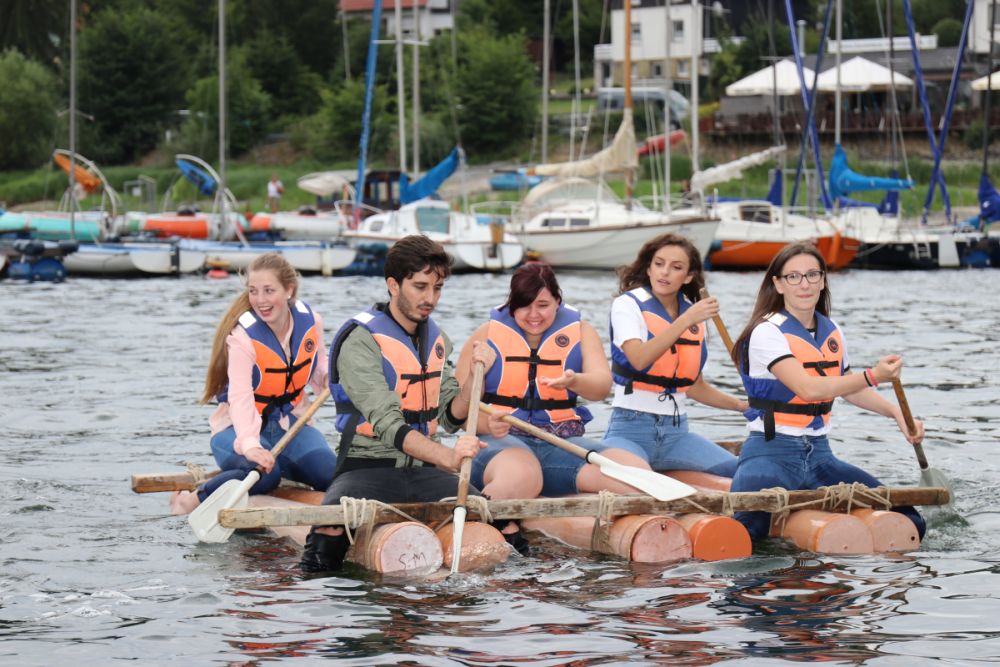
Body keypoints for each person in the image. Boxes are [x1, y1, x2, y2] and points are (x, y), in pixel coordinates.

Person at [300, 235, 495, 573]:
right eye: (420, 287)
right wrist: (449, 457)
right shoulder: (360, 341)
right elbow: (390, 425)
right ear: (393, 285)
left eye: (437, 288)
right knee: (330, 531)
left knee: (503, 522)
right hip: (366, 467)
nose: (430, 298)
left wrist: (477, 379)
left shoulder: (435, 339)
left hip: (424, 471)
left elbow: (451, 415)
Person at [728, 242, 926, 541]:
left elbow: (848, 387)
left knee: (911, 520)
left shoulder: (831, 329)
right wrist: (873, 375)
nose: (804, 284)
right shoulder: (766, 332)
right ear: (778, 284)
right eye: (793, 277)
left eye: (812, 275)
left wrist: (896, 413)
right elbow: (807, 389)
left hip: (820, 455)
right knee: (747, 534)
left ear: (822, 280)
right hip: (770, 453)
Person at [455, 262, 654, 512]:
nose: (534, 315)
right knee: (523, 475)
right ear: (512, 305)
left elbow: (602, 387)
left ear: (557, 302)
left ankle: (546, 506)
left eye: (543, 305)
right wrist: (488, 425)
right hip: (501, 447)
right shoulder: (484, 336)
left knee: (637, 474)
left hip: (561, 446)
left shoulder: (582, 332)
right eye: (524, 305)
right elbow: (457, 412)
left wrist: (575, 381)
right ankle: (479, 518)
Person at [170, 253, 337, 515]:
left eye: (269, 290)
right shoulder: (242, 337)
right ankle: (190, 501)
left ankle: (288, 476)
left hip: (290, 425)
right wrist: (250, 445)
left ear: (289, 290)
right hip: (236, 429)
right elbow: (240, 397)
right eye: (253, 291)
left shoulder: (311, 321)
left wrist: (328, 377)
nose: (260, 300)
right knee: (264, 474)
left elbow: (318, 363)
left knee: (330, 475)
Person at [604, 233, 746, 476]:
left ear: (688, 276)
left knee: (739, 472)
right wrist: (685, 320)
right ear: (648, 268)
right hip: (630, 429)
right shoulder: (627, 305)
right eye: (659, 264)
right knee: (634, 478)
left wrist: (741, 405)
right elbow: (638, 359)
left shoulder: (693, 315)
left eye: (676, 267)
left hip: (677, 433)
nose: (665, 272)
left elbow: (694, 386)